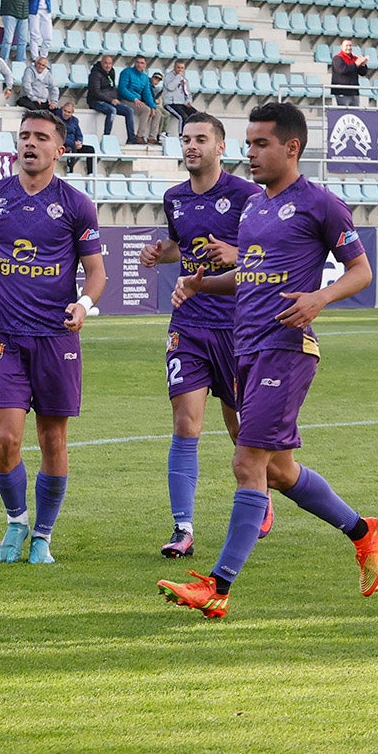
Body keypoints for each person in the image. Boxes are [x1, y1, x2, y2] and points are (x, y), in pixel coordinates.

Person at [158, 101, 378, 619]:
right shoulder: (255, 207)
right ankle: (365, 531)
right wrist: (200, 283)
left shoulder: (320, 204)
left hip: (286, 347)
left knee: (247, 463)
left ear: (292, 147)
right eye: (249, 142)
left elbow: (361, 270)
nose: (250, 152)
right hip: (246, 346)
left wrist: (320, 298)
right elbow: (249, 275)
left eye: (261, 144)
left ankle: (217, 588)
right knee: (280, 472)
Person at [0, 108, 107, 565]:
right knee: (6, 438)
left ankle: (43, 535)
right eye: (24, 135)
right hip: (7, 338)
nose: (30, 143)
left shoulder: (75, 204)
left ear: (58, 149)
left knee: (53, 441)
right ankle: (16, 521)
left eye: (41, 137)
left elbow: (97, 271)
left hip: (56, 339)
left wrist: (83, 305)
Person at [138, 113, 261, 559]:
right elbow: (180, 245)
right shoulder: (175, 198)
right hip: (188, 321)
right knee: (186, 423)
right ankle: (183, 529)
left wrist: (239, 253)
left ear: (220, 147)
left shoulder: (247, 195)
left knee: (239, 425)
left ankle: (258, 490)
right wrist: (159, 251)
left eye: (200, 139)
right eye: (186, 139)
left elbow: (270, 251)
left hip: (237, 325)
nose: (191, 146)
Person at [87, 54, 135, 142]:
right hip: (95, 101)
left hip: (109, 100)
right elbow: (96, 92)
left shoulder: (111, 72)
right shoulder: (95, 74)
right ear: (101, 63)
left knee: (129, 110)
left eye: (110, 63)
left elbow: (111, 87)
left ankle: (131, 138)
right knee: (112, 110)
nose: (108, 65)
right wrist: (110, 100)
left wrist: (116, 99)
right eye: (105, 63)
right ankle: (106, 137)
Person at [117, 55, 160, 145]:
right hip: (125, 99)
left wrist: (153, 106)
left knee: (157, 112)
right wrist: (134, 98)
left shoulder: (144, 77)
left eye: (141, 63)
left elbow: (147, 93)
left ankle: (152, 138)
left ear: (145, 65)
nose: (139, 65)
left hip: (137, 100)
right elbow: (122, 89)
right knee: (146, 110)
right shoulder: (126, 72)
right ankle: (139, 136)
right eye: (137, 62)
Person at [329, 39, 370, 106]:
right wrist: (356, 64)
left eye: (350, 45)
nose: (349, 48)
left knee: (355, 113)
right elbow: (342, 70)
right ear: (341, 47)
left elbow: (363, 73)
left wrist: (363, 64)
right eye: (346, 45)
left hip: (354, 91)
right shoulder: (337, 58)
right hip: (342, 91)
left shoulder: (355, 58)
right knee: (344, 113)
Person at [160, 59, 195, 135]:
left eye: (182, 68)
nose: (180, 70)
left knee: (196, 115)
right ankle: (181, 135)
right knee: (183, 117)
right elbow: (170, 87)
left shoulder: (184, 79)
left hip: (182, 103)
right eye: (178, 67)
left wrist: (188, 101)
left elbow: (187, 92)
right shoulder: (168, 77)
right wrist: (178, 77)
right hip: (171, 103)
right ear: (174, 67)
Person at [60, 102, 95, 174]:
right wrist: (73, 143)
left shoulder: (75, 121)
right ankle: (70, 172)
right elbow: (60, 136)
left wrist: (79, 142)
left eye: (68, 112)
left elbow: (79, 134)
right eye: (65, 111)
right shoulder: (57, 120)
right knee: (71, 149)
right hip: (63, 145)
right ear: (62, 109)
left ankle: (90, 173)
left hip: (74, 145)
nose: (66, 113)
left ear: (72, 113)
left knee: (90, 149)